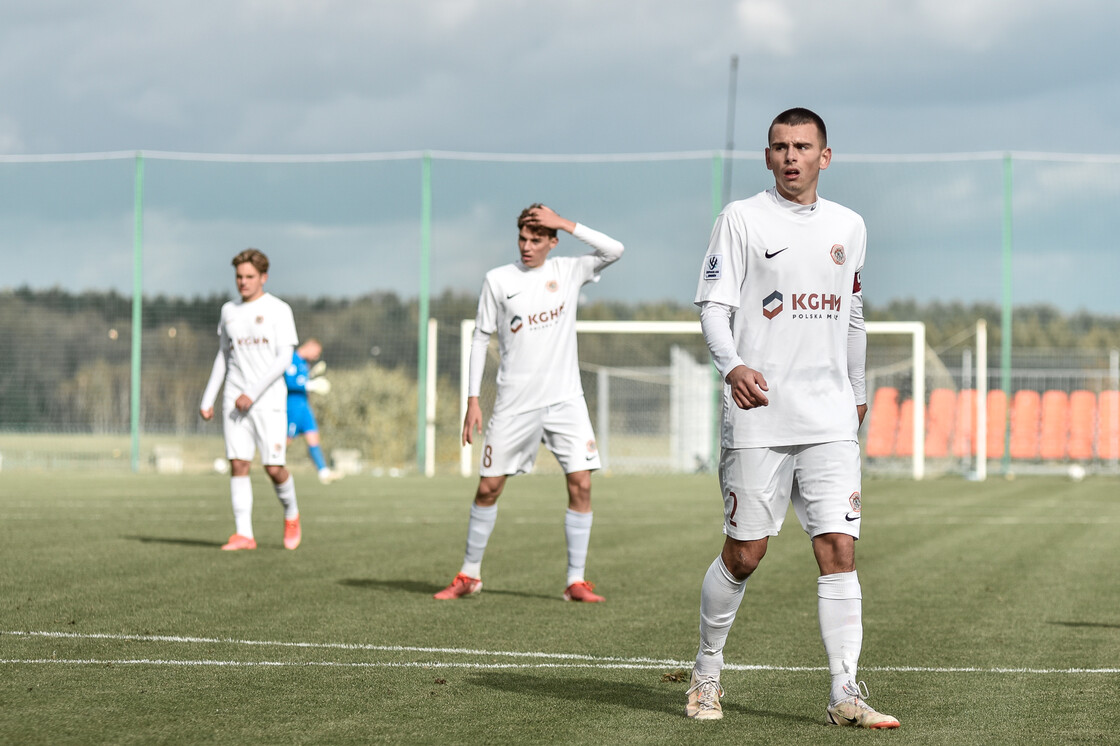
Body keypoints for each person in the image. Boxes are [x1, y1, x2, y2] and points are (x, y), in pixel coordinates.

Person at [685, 108, 899, 728]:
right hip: (760, 413)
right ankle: (706, 671)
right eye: (779, 147)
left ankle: (845, 693)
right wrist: (732, 367)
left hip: (830, 416)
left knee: (838, 548)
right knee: (746, 553)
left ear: (824, 157)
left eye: (803, 147)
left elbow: (853, 314)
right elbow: (712, 307)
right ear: (768, 156)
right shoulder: (742, 219)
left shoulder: (849, 226)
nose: (790, 157)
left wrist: (857, 393)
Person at [433, 204, 624, 602]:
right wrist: (472, 399)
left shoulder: (568, 271)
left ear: (552, 242)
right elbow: (480, 337)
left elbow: (614, 250)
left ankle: (575, 581)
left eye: (537, 239)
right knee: (488, 488)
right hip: (514, 404)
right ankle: (469, 574)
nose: (527, 246)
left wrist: (565, 223)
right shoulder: (498, 280)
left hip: (566, 401)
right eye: (522, 238)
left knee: (582, 485)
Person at [200, 248, 303, 552]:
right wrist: (208, 397)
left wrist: (253, 392)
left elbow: (285, 358)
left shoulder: (279, 310)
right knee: (238, 463)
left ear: (263, 277)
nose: (243, 282)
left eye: (249, 277)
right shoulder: (228, 311)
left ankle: (291, 513)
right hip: (234, 397)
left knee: (273, 467)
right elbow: (223, 354)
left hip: (267, 400)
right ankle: (244, 533)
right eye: (239, 277)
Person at [285, 338, 338, 485]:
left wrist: (310, 382)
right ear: (310, 346)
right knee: (286, 440)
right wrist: (310, 385)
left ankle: (324, 472)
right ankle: (273, 465)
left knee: (313, 437)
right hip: (292, 407)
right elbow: (289, 382)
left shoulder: (305, 364)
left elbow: (303, 381)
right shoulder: (292, 359)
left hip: (304, 407)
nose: (317, 356)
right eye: (317, 352)